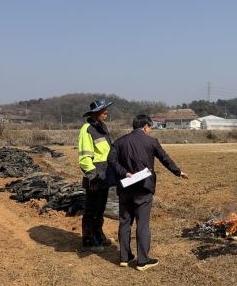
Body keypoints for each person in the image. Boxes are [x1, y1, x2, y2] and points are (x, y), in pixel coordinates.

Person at [108, 114, 188, 270]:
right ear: (145, 126)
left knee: (125, 222)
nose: (150, 130)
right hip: (143, 188)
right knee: (142, 224)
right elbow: (165, 158)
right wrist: (178, 172)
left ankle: (124, 257)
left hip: (125, 188)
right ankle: (142, 260)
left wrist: (124, 172)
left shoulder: (119, 142)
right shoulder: (151, 141)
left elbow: (111, 160)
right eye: (150, 127)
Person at [78, 99, 116, 252]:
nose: (106, 112)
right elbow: (84, 157)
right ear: (94, 113)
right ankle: (89, 240)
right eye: (103, 110)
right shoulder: (87, 129)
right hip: (95, 177)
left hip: (105, 175)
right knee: (91, 209)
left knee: (100, 209)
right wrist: (92, 176)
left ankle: (99, 235)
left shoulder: (102, 127)